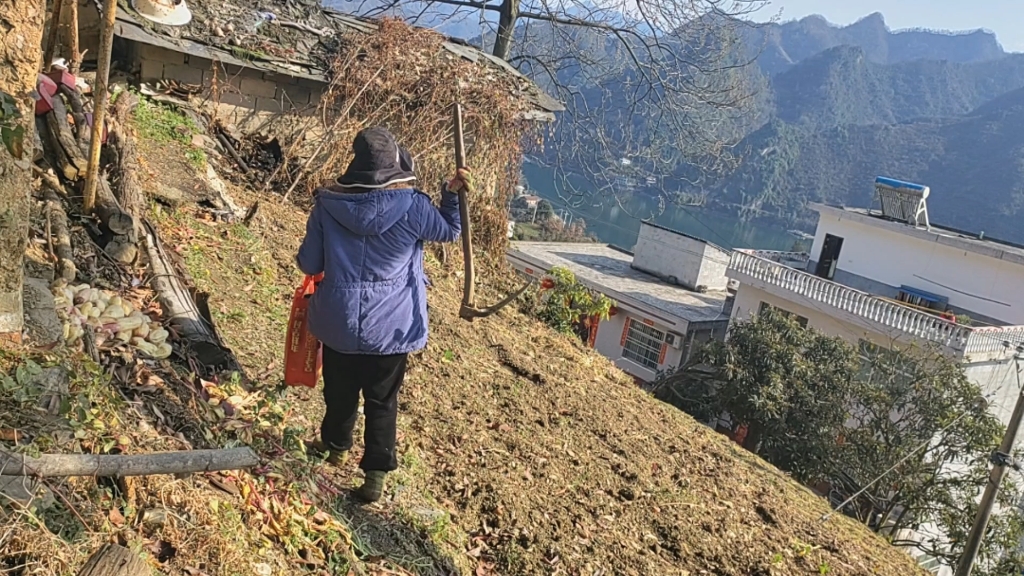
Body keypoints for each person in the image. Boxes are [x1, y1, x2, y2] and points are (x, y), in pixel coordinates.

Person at [296, 126, 471, 502]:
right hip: (391, 327)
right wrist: (451, 196)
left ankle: (335, 448)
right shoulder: (415, 207)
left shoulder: (327, 206)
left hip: (338, 321)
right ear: (395, 165)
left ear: (355, 163)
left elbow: (308, 263)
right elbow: (451, 231)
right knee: (382, 400)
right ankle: (375, 476)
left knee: (339, 391)